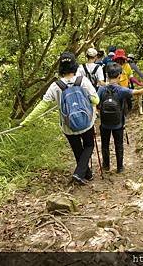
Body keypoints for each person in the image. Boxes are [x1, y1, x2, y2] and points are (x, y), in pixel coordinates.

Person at [21, 51, 99, 185]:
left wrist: (27, 121)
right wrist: (88, 98)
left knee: (77, 150)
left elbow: (42, 105)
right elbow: (96, 100)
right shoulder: (83, 81)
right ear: (75, 65)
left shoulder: (55, 86)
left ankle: (86, 174)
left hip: (68, 126)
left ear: (60, 67)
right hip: (87, 122)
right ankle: (80, 173)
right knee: (89, 145)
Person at [97, 62, 143, 173]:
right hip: (118, 123)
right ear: (119, 75)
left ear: (107, 75)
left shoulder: (101, 89)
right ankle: (119, 167)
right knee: (119, 145)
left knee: (105, 145)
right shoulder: (121, 90)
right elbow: (138, 92)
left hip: (104, 123)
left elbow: (95, 102)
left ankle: (106, 166)